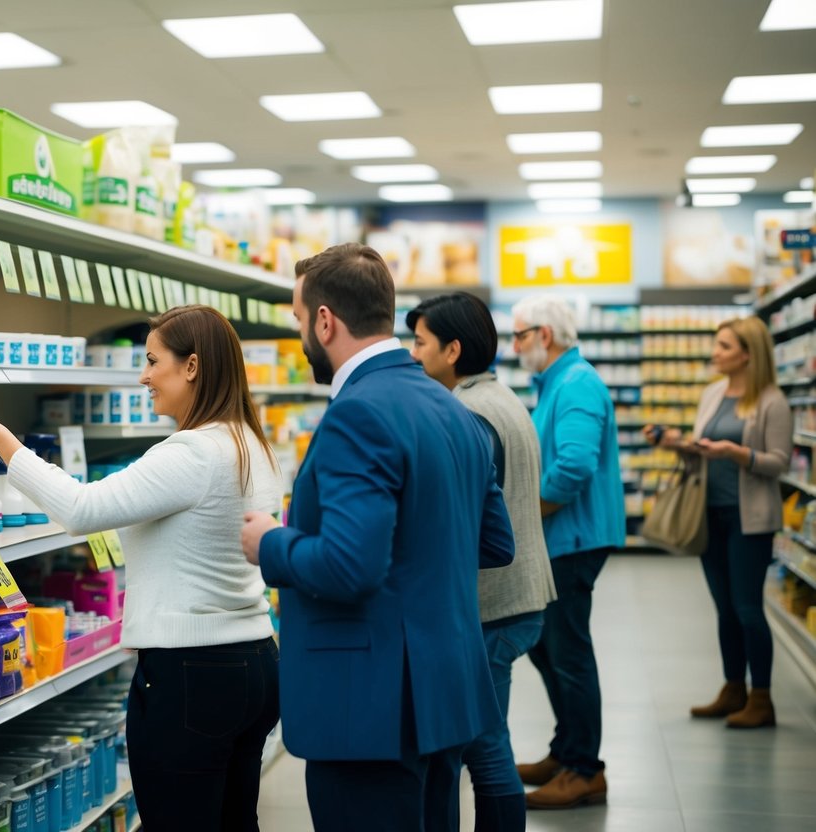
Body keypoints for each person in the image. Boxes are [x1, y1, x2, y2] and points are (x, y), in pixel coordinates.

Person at [0, 304, 283, 832]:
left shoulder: (191, 453)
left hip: (195, 674)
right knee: (235, 820)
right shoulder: (250, 442)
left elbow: (83, 509)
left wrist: (5, 445)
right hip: (254, 662)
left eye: (153, 361)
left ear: (191, 366)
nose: (144, 376)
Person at [240, 243, 515, 831]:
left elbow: (348, 567)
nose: (300, 335)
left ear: (324, 320)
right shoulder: (454, 411)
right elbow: (494, 542)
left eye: (297, 319)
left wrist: (270, 543)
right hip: (443, 694)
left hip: (371, 708)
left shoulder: (357, 413)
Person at [409, 292, 557, 832]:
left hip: (495, 604)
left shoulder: (469, 413)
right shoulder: (501, 397)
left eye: (421, 343)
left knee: (484, 747)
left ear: (451, 349)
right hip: (518, 594)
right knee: (482, 741)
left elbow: (465, 518)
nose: (412, 354)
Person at [644, 315, 792, 728]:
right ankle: (733, 689)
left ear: (748, 354)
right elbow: (703, 451)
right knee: (724, 609)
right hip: (710, 514)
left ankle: (761, 697)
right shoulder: (712, 394)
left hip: (750, 520)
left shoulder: (771, 401)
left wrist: (736, 453)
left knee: (747, 608)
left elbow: (778, 463)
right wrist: (679, 443)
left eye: (724, 346)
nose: (715, 353)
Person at [509, 295, 625, 810]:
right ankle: (566, 749)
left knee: (569, 651)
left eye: (518, 335)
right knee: (547, 647)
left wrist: (524, 514)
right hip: (561, 538)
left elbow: (574, 467)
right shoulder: (557, 382)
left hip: (572, 539)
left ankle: (585, 770)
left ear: (545, 335)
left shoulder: (577, 384)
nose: (514, 346)